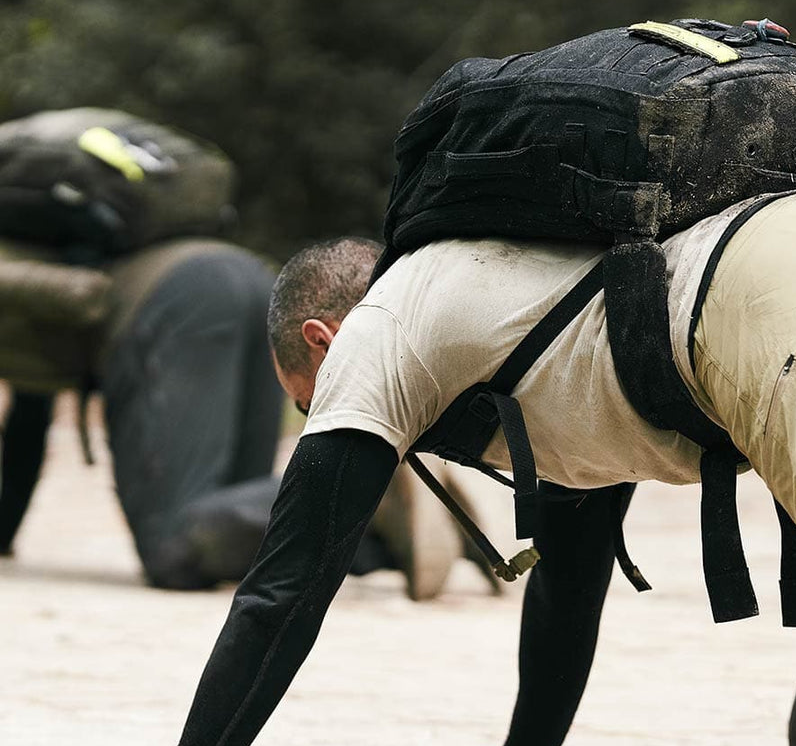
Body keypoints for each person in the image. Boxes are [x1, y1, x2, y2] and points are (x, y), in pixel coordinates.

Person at [31, 184, 796, 746]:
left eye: (305, 400)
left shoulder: (377, 335)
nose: (323, 422)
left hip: (778, 290)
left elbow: (283, 588)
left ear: (318, 338)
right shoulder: (518, 306)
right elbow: (575, 559)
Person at [0, 114, 474, 596]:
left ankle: (373, 498)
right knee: (232, 519)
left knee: (174, 551)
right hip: (246, 282)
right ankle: (439, 523)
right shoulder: (43, 244)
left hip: (183, 308)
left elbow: (26, 413)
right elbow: (27, 414)